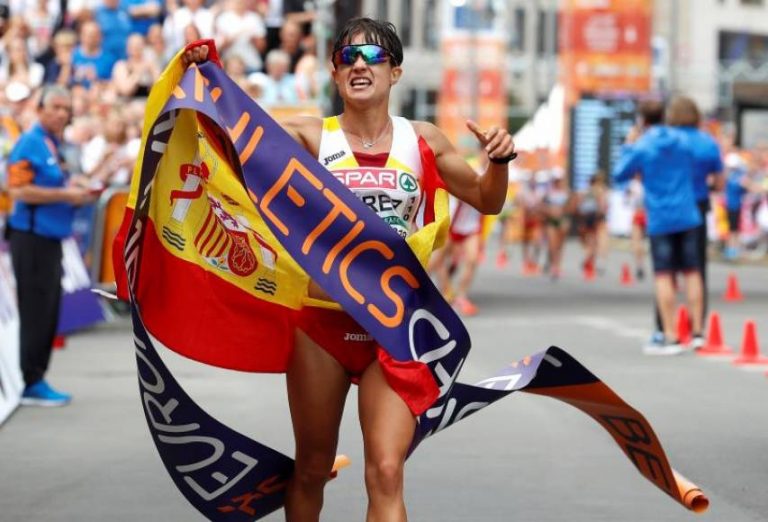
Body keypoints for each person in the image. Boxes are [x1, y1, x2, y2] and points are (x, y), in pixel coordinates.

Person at [183, 17, 515, 521]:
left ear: (395, 73)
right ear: (335, 76)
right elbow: (231, 131)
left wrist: (500, 162)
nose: (360, 65)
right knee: (313, 468)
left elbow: (486, 201)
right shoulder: (310, 136)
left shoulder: (423, 140)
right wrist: (206, 74)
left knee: (386, 469)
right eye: (348, 58)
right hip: (323, 324)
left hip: (395, 328)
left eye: (374, 56)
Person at [5, 85, 95, 406]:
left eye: (65, 108)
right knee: (36, 312)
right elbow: (19, 192)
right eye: (55, 107)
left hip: (52, 237)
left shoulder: (52, 144)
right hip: (31, 238)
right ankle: (32, 381)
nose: (61, 113)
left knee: (48, 311)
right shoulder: (29, 142)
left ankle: (37, 377)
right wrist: (66, 195)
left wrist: (77, 186)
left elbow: (56, 181)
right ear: (40, 109)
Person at [613, 99, 703, 356]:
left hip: (661, 216)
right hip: (688, 212)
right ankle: (697, 333)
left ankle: (671, 335)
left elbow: (620, 174)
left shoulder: (643, 145)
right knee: (692, 272)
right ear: (664, 115)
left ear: (642, 120)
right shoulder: (684, 140)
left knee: (664, 275)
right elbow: (699, 164)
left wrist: (629, 146)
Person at [666, 96, 723, 348]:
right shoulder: (707, 142)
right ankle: (697, 329)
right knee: (696, 268)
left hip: (667, 206)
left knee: (665, 270)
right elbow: (720, 182)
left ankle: (665, 329)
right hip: (697, 206)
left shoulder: (665, 140)